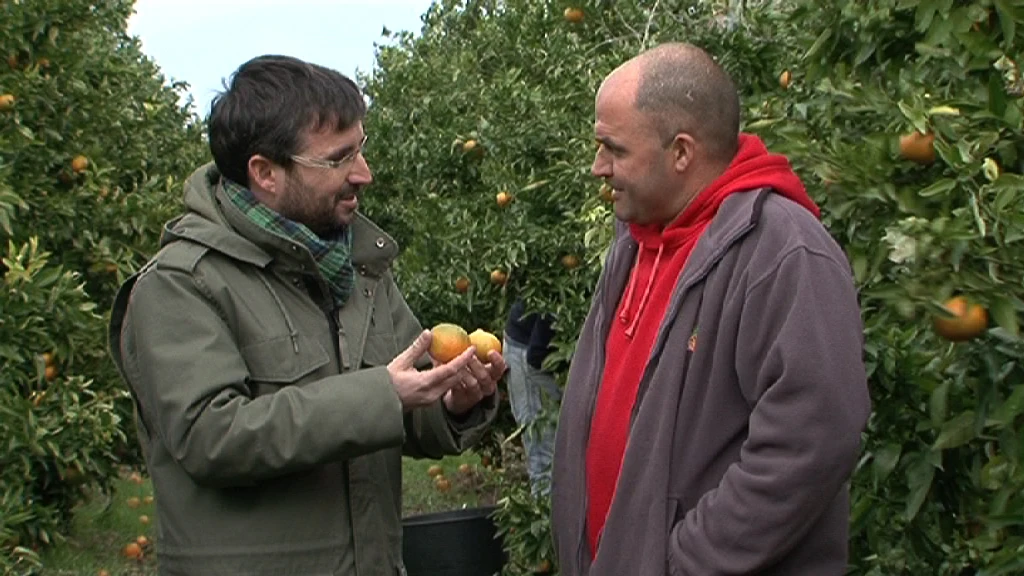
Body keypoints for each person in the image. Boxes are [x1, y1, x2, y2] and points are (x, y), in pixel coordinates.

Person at [108, 55, 504, 576]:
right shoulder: (182, 283)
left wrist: (451, 401)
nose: (364, 174)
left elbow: (404, 406)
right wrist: (381, 394)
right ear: (265, 173)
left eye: (360, 149)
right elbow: (210, 438)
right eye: (338, 159)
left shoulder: (357, 268)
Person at [550, 43, 871, 575]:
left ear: (681, 151)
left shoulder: (782, 253)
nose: (597, 167)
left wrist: (683, 560)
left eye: (614, 149)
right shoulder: (637, 244)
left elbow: (810, 441)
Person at [502, 298, 560, 496]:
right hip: (528, 352)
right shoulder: (557, 294)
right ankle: (546, 521)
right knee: (544, 459)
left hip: (546, 350)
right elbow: (536, 356)